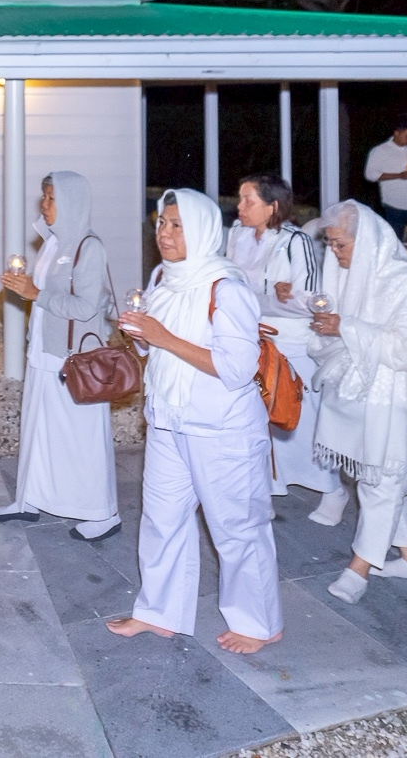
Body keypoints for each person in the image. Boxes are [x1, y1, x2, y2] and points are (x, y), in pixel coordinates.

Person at [106, 188, 280, 654]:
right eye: (161, 223)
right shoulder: (165, 277)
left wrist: (162, 336)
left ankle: (259, 622)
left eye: (177, 225)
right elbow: (156, 350)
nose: (164, 233)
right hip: (167, 421)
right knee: (161, 520)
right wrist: (140, 336)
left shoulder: (227, 287)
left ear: (202, 230)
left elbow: (236, 367)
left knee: (236, 527)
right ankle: (160, 613)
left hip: (220, 428)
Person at [303, 202, 407, 604]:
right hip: (367, 393)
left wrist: (347, 328)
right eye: (330, 245)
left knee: (382, 480)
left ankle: (360, 567)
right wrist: (331, 330)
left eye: (342, 244)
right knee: (381, 478)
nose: (336, 253)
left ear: (366, 241)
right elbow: (338, 335)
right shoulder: (346, 275)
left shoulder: (400, 278)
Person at [0, 171, 120, 541]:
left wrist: (35, 294)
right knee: (36, 429)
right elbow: (43, 293)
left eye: (50, 198)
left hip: (75, 358)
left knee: (81, 438)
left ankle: (102, 513)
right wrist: (26, 289)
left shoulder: (89, 247)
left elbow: (85, 308)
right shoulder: (53, 242)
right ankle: (28, 500)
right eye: (44, 198)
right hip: (45, 352)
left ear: (71, 202)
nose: (43, 205)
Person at [230, 174, 345, 522]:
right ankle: (267, 487)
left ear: (273, 206)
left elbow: (314, 301)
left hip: (290, 343)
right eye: (241, 199)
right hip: (251, 338)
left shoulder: (296, 242)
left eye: (248, 200)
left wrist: (286, 296)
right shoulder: (237, 235)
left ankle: (332, 489)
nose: (239, 207)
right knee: (259, 420)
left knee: (299, 417)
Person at [364, 118, 407, 238]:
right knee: (396, 239)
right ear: (397, 133)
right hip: (395, 205)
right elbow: (370, 174)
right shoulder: (380, 151)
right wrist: (399, 175)